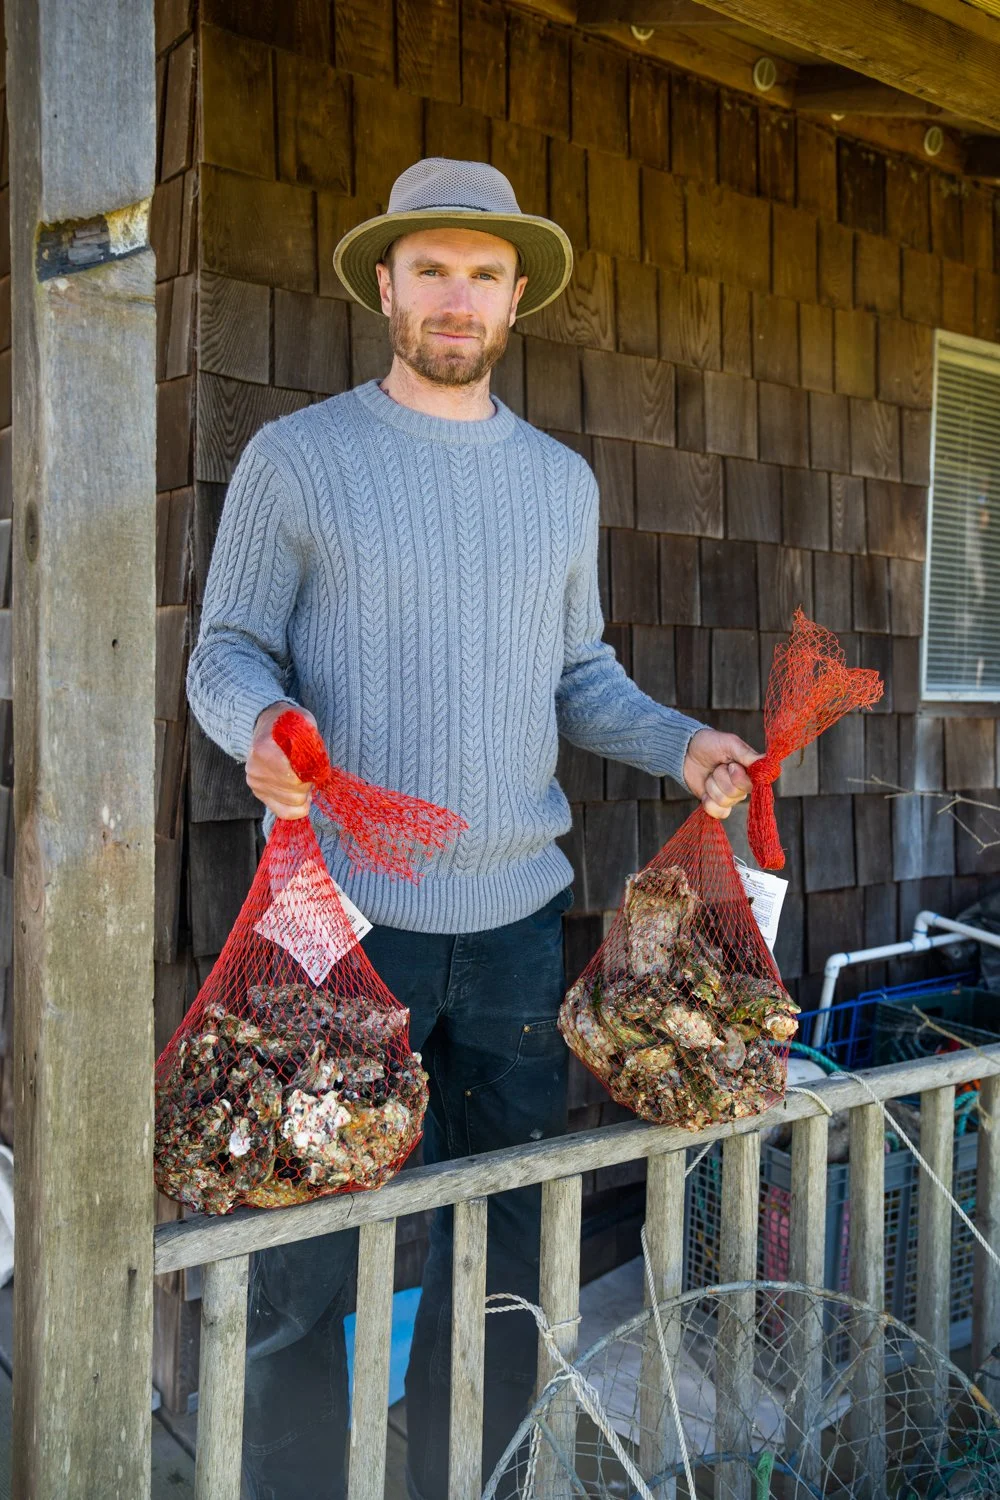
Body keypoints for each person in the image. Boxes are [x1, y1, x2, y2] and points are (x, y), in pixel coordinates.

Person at [186, 157, 760, 1500]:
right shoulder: (300, 457)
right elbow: (227, 647)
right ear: (385, 285)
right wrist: (261, 728)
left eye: (483, 274)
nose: (457, 296)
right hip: (330, 924)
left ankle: (474, 1481)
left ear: (517, 301)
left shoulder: (559, 484)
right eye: (432, 269)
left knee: (502, 1257)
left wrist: (681, 742)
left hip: (508, 931)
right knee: (298, 1257)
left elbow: (579, 680)